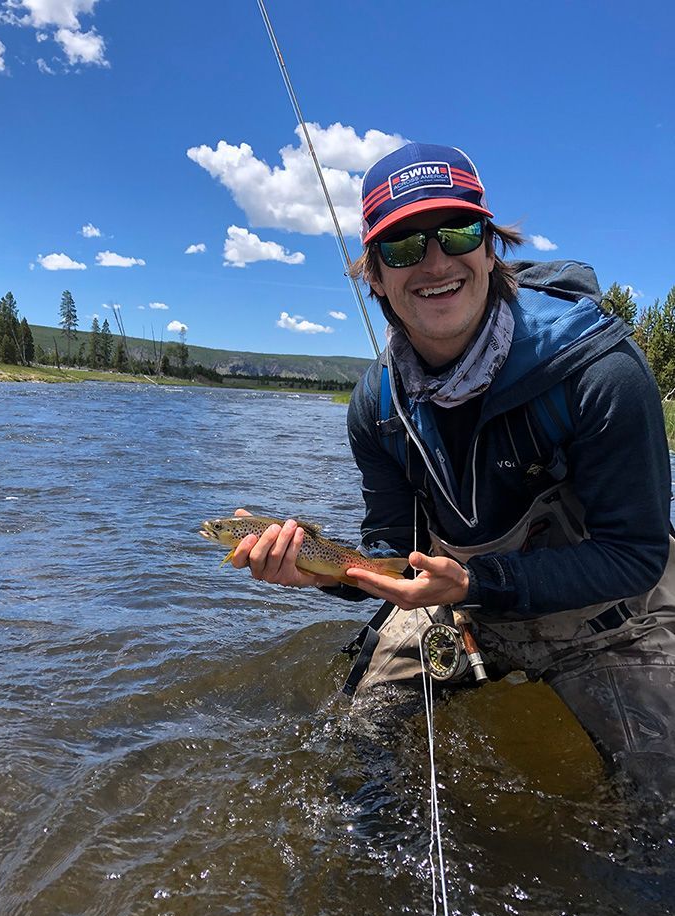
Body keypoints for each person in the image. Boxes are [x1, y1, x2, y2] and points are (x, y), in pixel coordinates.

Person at [230, 142, 675, 799]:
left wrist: (474, 582)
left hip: (608, 617)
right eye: (403, 247)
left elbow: (636, 555)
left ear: (489, 247)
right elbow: (391, 557)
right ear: (374, 275)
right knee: (361, 746)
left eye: (457, 232)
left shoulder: (599, 371)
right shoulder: (375, 408)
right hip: (461, 607)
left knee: (664, 803)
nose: (434, 261)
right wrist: (318, 571)